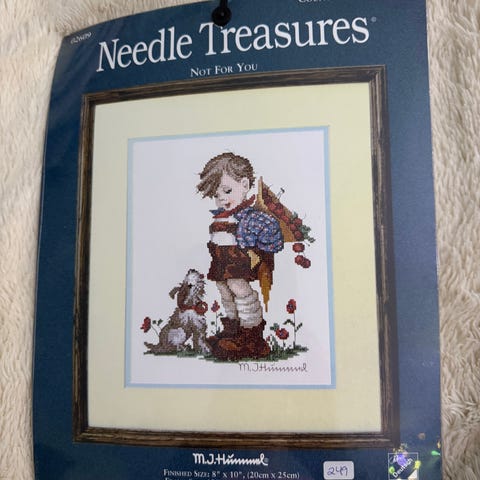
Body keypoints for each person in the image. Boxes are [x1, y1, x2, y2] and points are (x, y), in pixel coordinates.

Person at [197, 152, 284, 361]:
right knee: (224, 288)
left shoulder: (250, 215)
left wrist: (258, 249)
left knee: (238, 287)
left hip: (239, 258)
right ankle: (233, 328)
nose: (222, 198)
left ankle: (251, 335)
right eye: (216, 194)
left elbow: (271, 230)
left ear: (244, 185)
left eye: (227, 191)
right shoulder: (223, 216)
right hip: (221, 258)